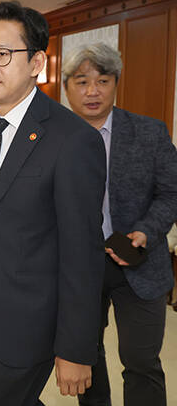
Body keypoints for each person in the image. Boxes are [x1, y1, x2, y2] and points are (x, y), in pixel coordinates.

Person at [0, 1, 107, 405]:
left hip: (28, 318)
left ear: (36, 63)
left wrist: (77, 348)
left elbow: (82, 254)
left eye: (2, 54)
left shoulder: (72, 140)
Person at [62, 42, 177, 406]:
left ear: (116, 83)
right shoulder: (52, 139)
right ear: (66, 87)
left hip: (140, 262)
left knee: (142, 362)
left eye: (103, 81)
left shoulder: (150, 133)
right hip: (77, 267)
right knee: (86, 359)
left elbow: (171, 193)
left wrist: (146, 231)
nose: (92, 91)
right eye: (82, 82)